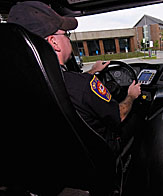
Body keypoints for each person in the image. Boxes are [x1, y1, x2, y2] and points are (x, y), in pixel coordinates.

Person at [8, 1, 141, 153]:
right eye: (66, 34)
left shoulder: (15, 87)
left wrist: (92, 71)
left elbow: (64, 85)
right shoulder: (83, 85)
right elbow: (119, 115)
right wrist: (131, 96)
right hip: (101, 156)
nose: (68, 39)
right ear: (54, 42)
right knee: (138, 117)